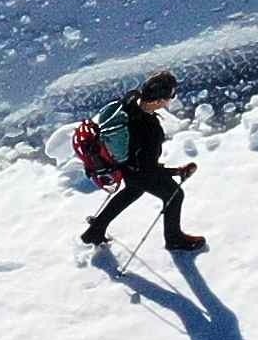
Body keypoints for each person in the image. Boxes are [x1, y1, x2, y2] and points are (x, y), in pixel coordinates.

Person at [79, 72, 202, 257]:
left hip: (125, 165)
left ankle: (95, 231)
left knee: (133, 191)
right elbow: (149, 170)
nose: (170, 101)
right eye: (169, 97)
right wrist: (177, 171)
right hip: (137, 171)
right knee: (175, 195)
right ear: (157, 100)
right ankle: (174, 239)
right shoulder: (149, 128)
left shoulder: (130, 102)